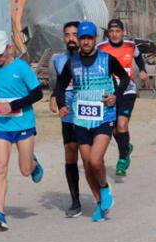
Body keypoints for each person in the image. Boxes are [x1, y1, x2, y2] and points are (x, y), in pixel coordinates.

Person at [53, 22, 130, 222]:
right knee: (87, 165)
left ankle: (104, 188)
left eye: (89, 38)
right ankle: (99, 203)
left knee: (96, 160)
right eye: (82, 38)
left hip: (104, 117)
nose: (85, 42)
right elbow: (59, 87)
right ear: (78, 40)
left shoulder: (107, 59)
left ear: (95, 39)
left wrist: (115, 95)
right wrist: (62, 105)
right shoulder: (73, 63)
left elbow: (124, 78)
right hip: (80, 119)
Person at [0, 30, 45, 231]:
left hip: (23, 124)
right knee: (0, 168)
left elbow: (38, 93)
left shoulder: (21, 67)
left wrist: (15, 105)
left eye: (0, 53)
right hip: (1, 126)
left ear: (9, 48)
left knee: (25, 171)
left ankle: (33, 163)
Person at [98, 19, 148, 176]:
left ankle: (122, 160)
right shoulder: (101, 48)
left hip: (127, 90)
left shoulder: (131, 46)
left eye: (117, 31)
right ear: (108, 33)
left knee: (122, 124)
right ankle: (126, 147)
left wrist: (142, 70)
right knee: (114, 130)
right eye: (111, 31)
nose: (114, 34)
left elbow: (139, 58)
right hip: (110, 92)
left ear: (123, 32)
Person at [48, 21, 83, 217]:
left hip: (87, 112)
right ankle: (75, 201)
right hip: (68, 112)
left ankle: (100, 189)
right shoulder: (58, 60)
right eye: (67, 35)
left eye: (75, 34)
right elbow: (59, 84)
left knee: (89, 159)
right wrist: (54, 97)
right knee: (70, 154)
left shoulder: (89, 58)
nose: (71, 38)